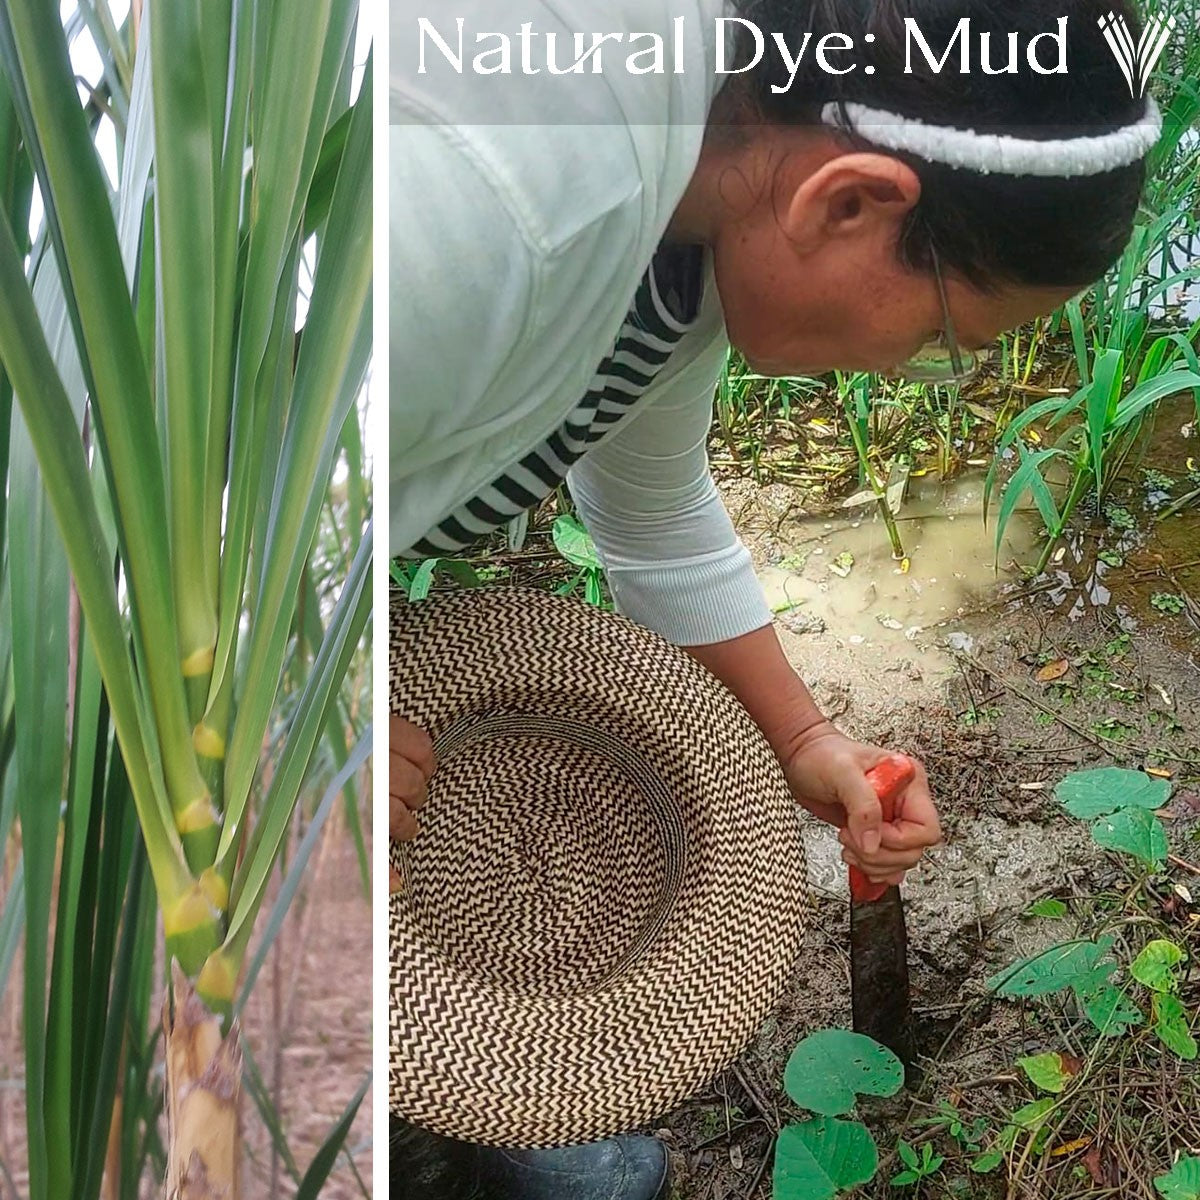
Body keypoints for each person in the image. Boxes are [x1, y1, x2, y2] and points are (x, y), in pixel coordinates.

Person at [391, 0, 1158, 1195]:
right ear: (847, 200)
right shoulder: (504, 201)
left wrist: (801, 736)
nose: (909, 371)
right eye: (948, 337)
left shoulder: (696, 211)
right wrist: (303, 712)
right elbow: (105, 494)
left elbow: (646, 508)